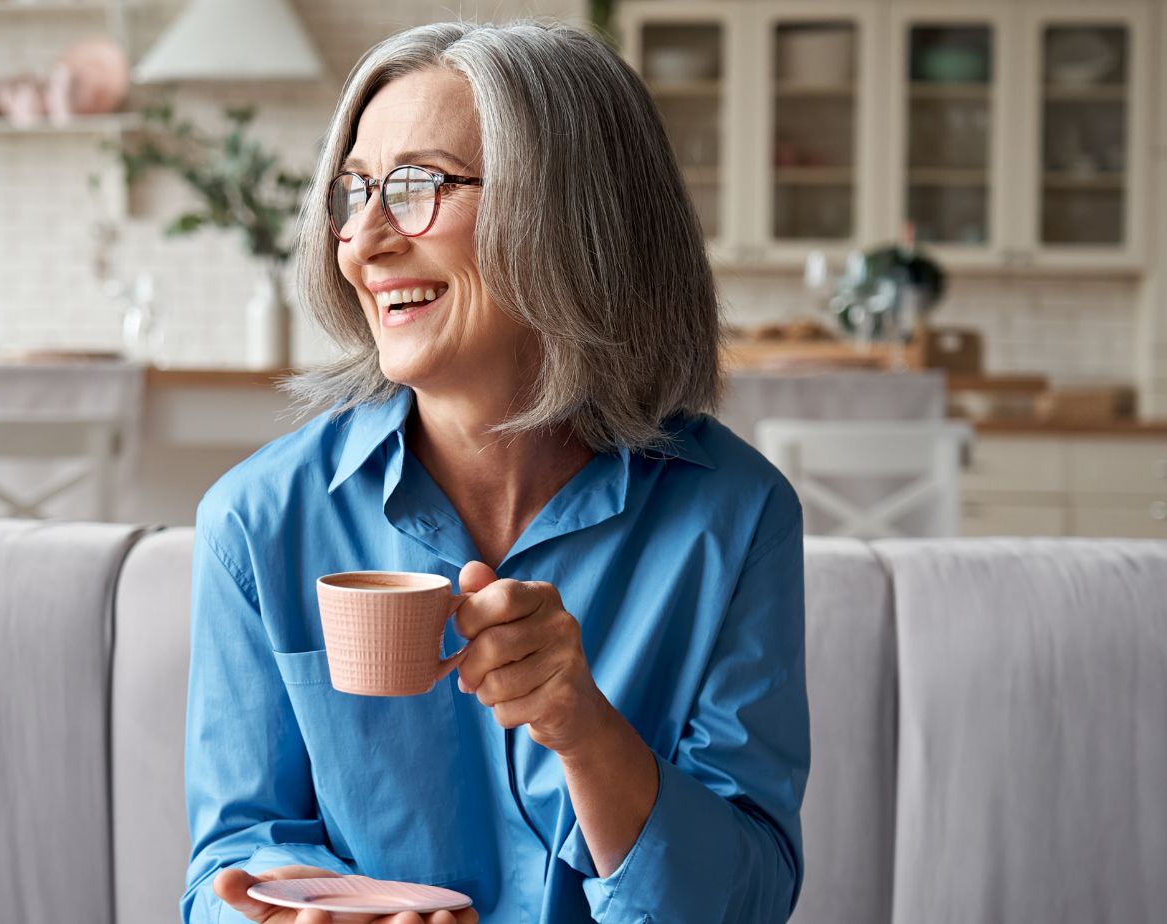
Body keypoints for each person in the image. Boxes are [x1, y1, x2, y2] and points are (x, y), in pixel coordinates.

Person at [183, 19, 807, 924]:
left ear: (572, 214)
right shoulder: (258, 522)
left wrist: (584, 729)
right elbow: (228, 864)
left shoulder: (735, 519)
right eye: (353, 192)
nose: (361, 240)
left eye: (414, 186)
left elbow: (746, 899)